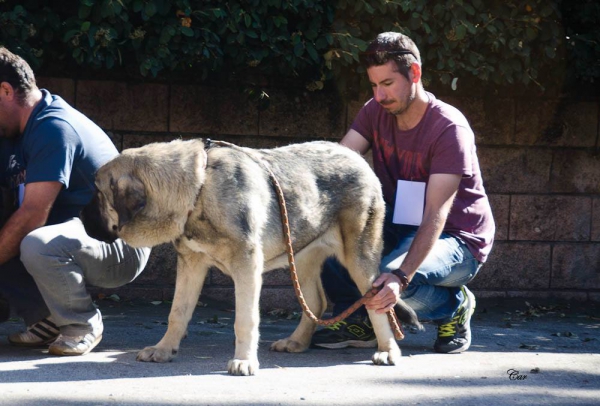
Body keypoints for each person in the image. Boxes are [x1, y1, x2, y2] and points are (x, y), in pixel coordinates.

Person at [311, 32, 495, 354]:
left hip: (457, 238)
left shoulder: (449, 129)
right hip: (403, 220)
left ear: (415, 74)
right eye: (373, 85)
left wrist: (401, 276)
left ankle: (454, 305)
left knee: (388, 278)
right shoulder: (375, 111)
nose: (379, 95)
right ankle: (362, 320)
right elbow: (338, 165)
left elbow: (436, 213)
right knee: (331, 247)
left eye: (388, 83)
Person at [0, 47, 151, 356]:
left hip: (118, 244)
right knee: (23, 237)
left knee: (33, 241)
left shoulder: (54, 127)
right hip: (65, 236)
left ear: (5, 90)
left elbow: (31, 215)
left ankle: (81, 323)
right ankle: (46, 319)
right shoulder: (11, 133)